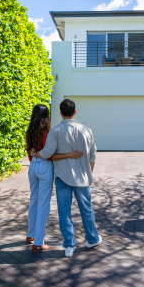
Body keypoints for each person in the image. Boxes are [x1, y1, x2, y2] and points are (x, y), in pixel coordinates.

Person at [32, 99, 101, 257]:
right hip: (83, 178)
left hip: (62, 178)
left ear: (61, 113)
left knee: (64, 213)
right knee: (86, 210)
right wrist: (89, 173)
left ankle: (69, 245)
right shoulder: (87, 130)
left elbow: (47, 154)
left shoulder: (55, 131)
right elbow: (93, 154)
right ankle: (92, 239)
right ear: (75, 112)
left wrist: (35, 153)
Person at [26, 104, 83, 253]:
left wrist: (35, 158)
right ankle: (38, 242)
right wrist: (69, 154)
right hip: (44, 167)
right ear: (47, 116)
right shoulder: (47, 132)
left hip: (32, 166)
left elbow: (30, 151)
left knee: (34, 200)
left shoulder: (29, 130)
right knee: (43, 205)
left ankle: (30, 235)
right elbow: (49, 155)